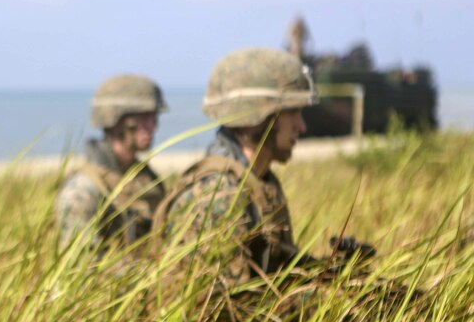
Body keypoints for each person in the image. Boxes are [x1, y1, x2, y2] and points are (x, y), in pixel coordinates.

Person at [154, 47, 375, 293]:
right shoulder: (218, 196)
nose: (301, 126)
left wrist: (337, 272)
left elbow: (273, 275)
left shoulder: (260, 183)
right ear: (258, 117)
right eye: (293, 113)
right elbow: (225, 310)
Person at [54, 74, 168, 256]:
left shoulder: (147, 180)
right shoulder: (82, 190)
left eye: (154, 118)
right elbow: (82, 262)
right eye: (144, 118)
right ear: (116, 120)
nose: (152, 126)